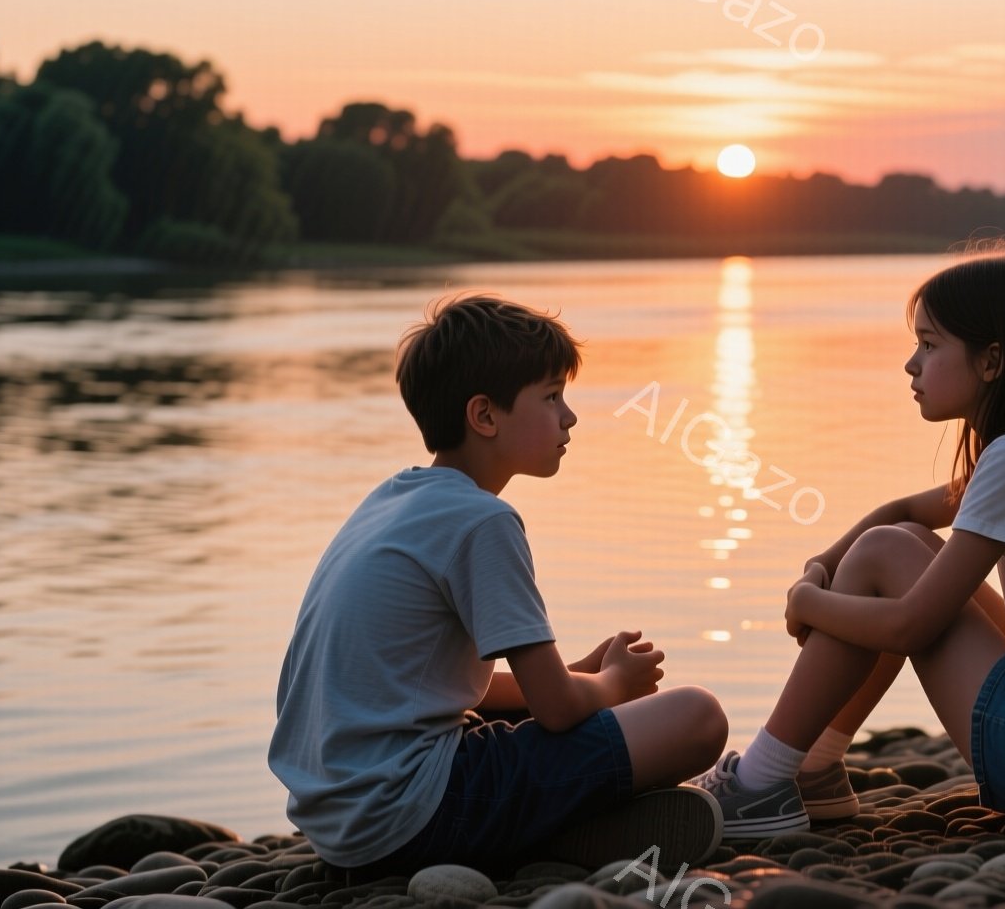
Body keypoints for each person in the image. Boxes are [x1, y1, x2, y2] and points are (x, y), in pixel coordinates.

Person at [693, 251, 1005, 836]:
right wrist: (822, 563)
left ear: (992, 361)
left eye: (930, 344)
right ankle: (813, 769)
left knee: (886, 555)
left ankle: (760, 782)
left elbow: (908, 627)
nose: (911, 364)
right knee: (902, 543)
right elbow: (905, 513)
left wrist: (807, 601)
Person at [269, 293, 728, 880]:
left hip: (339, 822)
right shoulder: (482, 522)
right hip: (415, 814)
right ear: (484, 416)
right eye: (552, 396)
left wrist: (578, 674)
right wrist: (614, 683)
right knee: (698, 716)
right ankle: (561, 834)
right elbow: (557, 710)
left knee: (551, 725)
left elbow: (430, 688)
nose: (569, 417)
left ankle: (551, 826)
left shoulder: (389, 501)